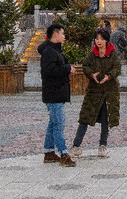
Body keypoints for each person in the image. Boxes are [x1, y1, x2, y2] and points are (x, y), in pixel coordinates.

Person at [71, 28, 120, 159]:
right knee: (85, 117)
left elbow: (117, 67)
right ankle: (76, 145)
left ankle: (103, 145)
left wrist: (109, 76)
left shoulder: (113, 53)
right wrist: (92, 74)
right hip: (94, 90)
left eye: (101, 39)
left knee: (105, 119)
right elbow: (85, 66)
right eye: (97, 39)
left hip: (108, 91)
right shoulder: (92, 54)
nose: (99, 41)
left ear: (106, 40)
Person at [38, 22, 77, 166]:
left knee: (53, 124)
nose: (64, 36)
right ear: (55, 35)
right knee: (59, 124)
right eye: (62, 33)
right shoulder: (49, 52)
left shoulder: (54, 50)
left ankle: (49, 152)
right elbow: (50, 71)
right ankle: (63, 153)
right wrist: (67, 68)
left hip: (57, 92)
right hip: (53, 93)